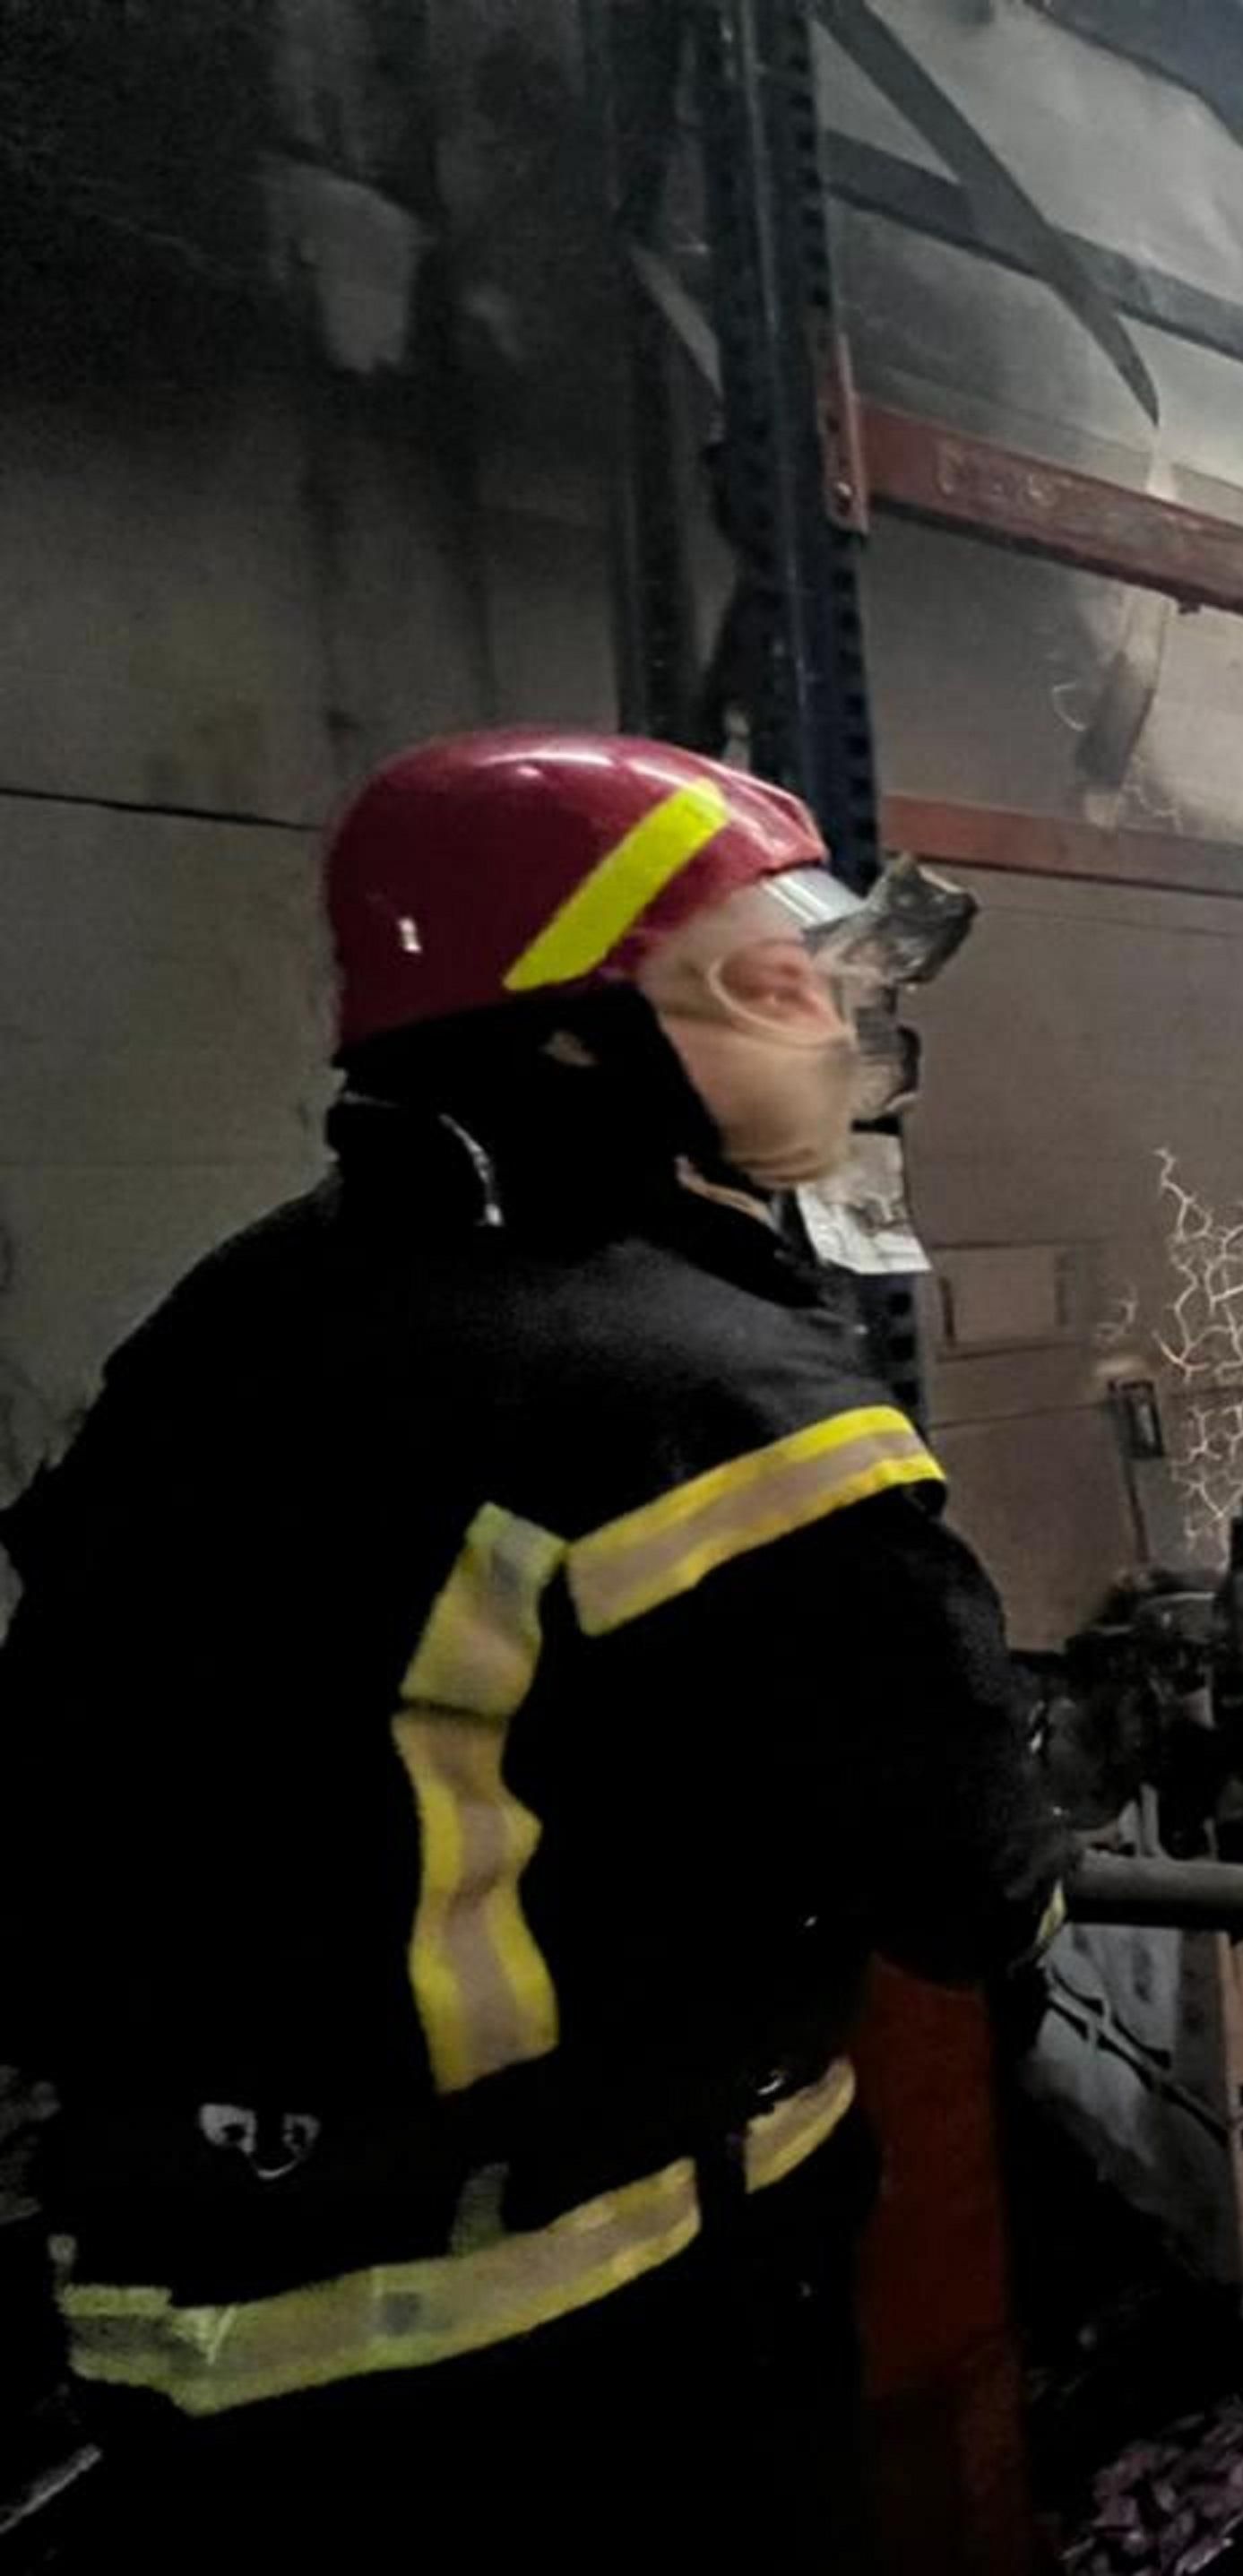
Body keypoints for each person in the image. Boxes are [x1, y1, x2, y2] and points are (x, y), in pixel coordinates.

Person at [0, 730, 1076, 2568]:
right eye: (764, 987)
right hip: (589, 2361)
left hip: (189, 2349)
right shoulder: (710, 1395)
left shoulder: (225, 1317)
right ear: (571, 1038)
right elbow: (969, 1886)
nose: (826, 1032)